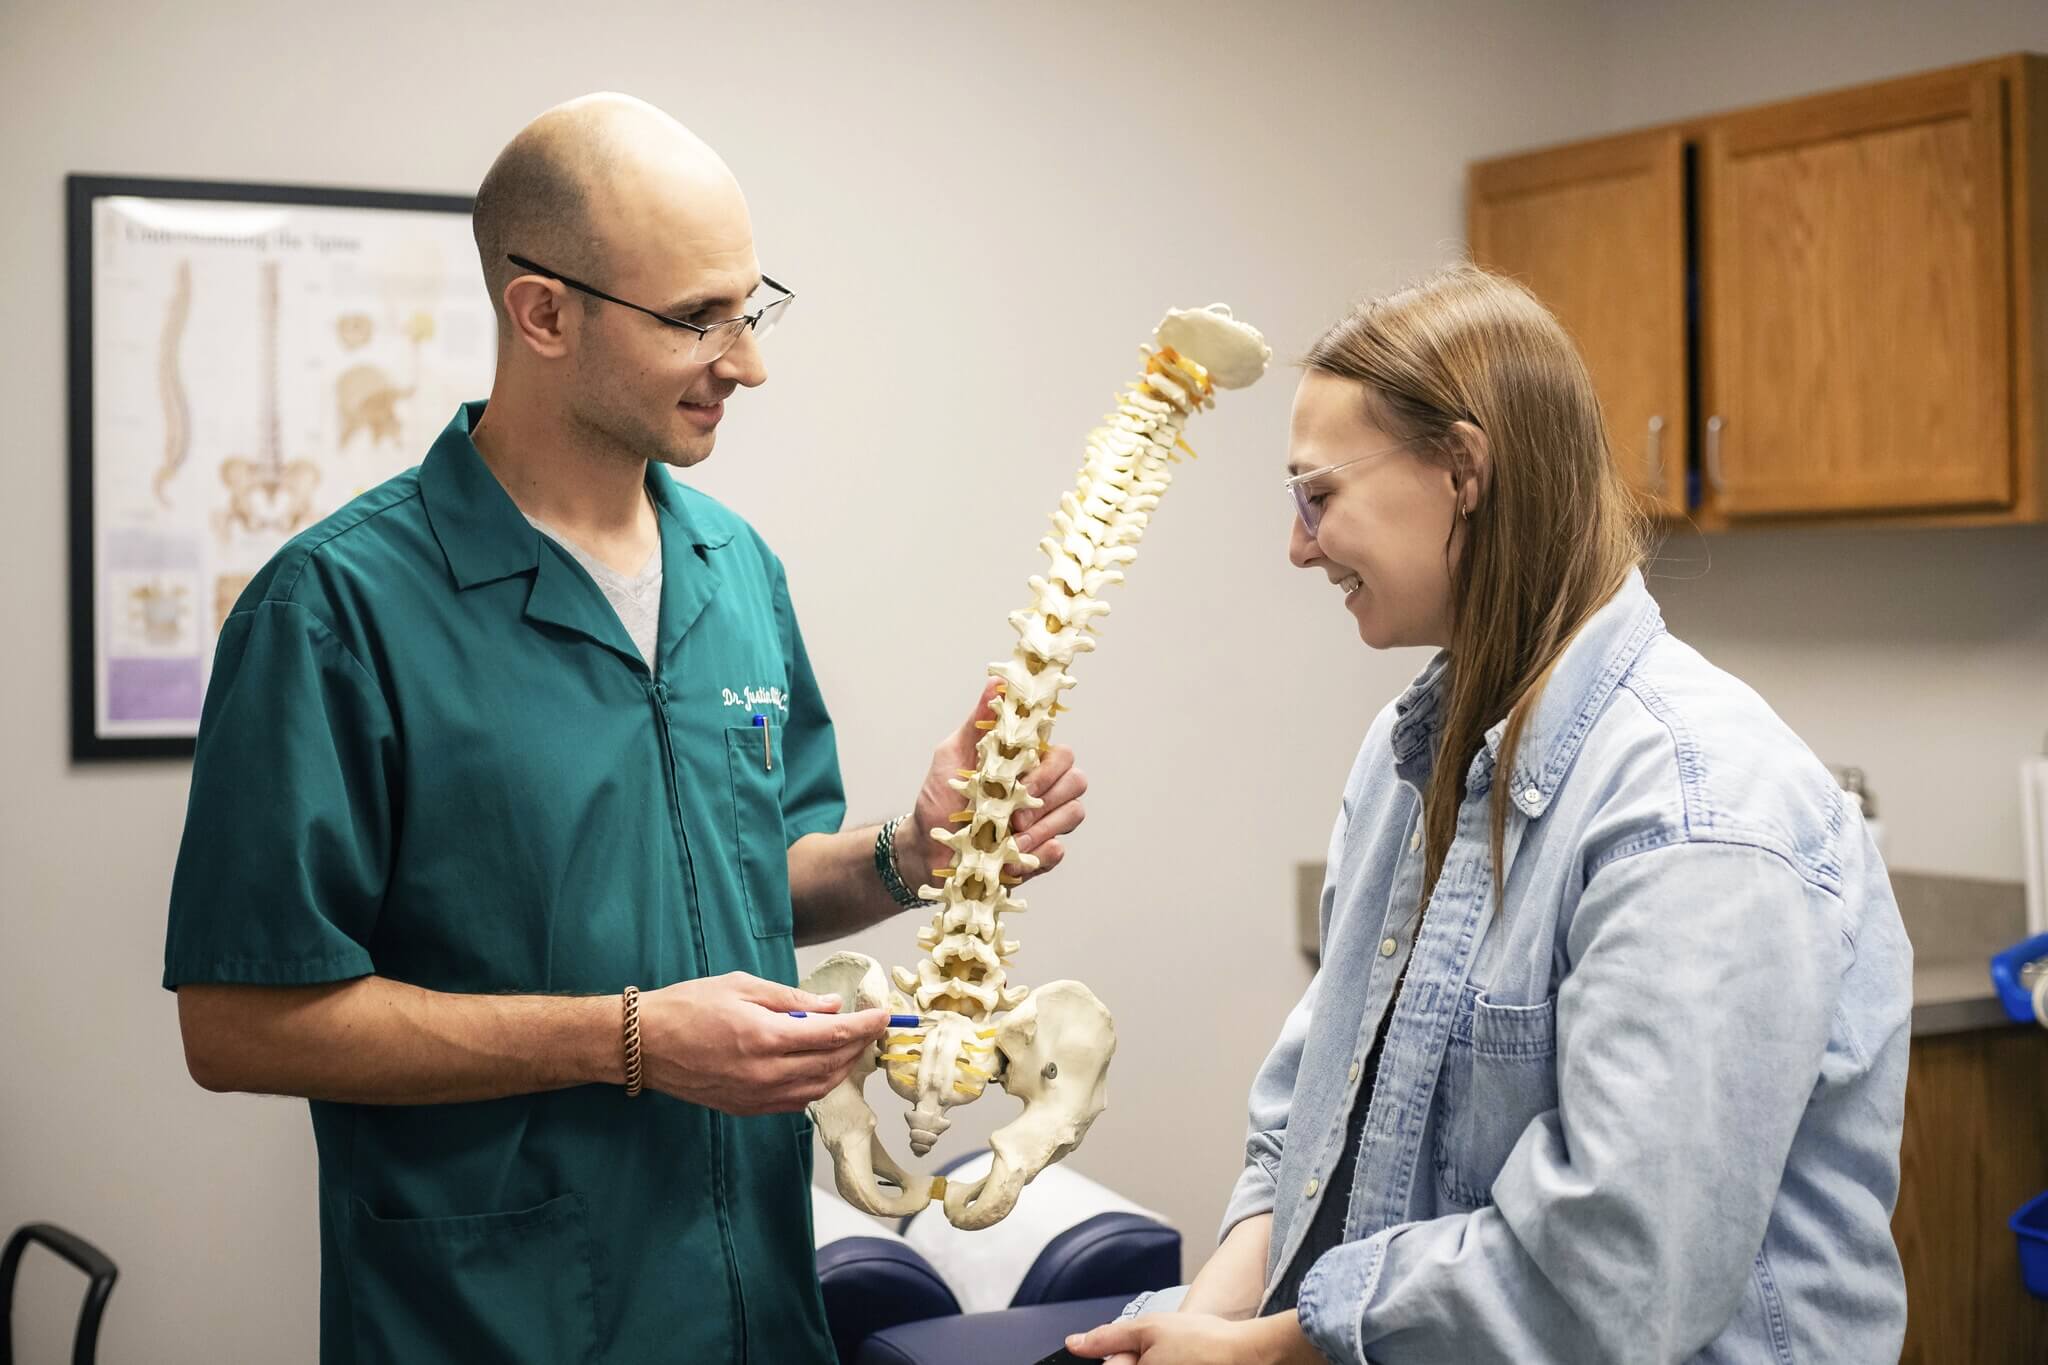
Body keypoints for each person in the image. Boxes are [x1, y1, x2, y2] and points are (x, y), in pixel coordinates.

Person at [164, 93, 1089, 1364]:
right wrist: (629, 1041)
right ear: (542, 313)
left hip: (755, 1303)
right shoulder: (335, 610)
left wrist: (909, 858)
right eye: (694, 320)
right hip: (496, 1316)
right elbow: (237, 1022)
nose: (747, 360)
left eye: (749, 306)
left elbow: (745, 881)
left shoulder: (735, 569)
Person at [1068, 265, 1910, 1364]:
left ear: (1461, 469)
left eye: (1316, 496)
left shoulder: (1698, 808)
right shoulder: (1403, 759)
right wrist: (1204, 1321)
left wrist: (1274, 1350)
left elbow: (1617, 1269)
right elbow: (1305, 1132)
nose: (1296, 546)